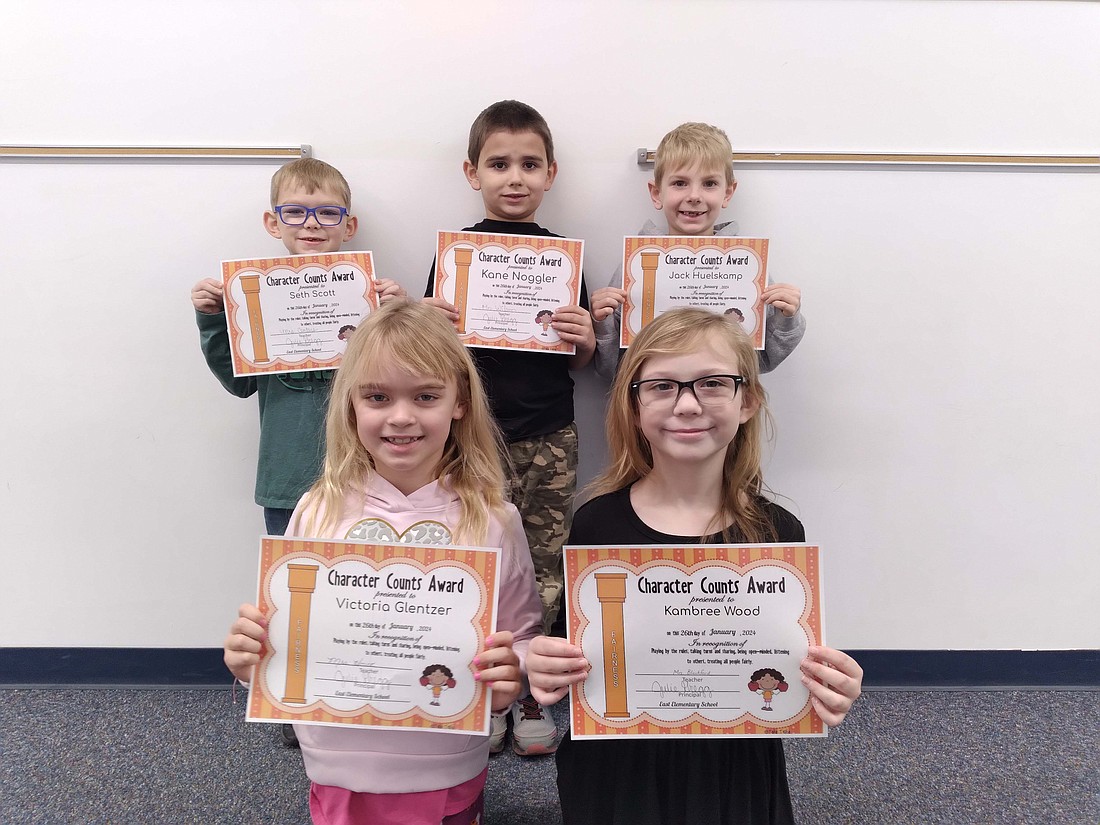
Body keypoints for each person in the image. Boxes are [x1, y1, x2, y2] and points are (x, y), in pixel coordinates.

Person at [526, 308, 863, 824]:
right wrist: (546, 667)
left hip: (734, 767)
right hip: (616, 768)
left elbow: (788, 664)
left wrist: (828, 686)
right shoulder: (594, 525)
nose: (686, 405)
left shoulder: (778, 534)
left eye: (711, 383)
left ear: (747, 400)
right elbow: (570, 656)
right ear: (634, 405)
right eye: (661, 386)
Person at [223, 300, 543, 825]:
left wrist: (513, 675)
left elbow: (522, 633)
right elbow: (286, 636)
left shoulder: (494, 518)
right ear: (351, 404)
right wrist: (249, 660)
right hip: (336, 757)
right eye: (377, 396)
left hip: (447, 757)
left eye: (425, 396)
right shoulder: (317, 510)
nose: (400, 416)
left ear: (459, 401)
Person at [423, 100, 594, 756]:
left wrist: (584, 337)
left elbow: (582, 362)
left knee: (545, 568)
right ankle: (480, 693)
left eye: (528, 164)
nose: (514, 176)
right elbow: (433, 360)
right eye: (499, 163)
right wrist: (431, 323)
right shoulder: (454, 257)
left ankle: (531, 697)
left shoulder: (564, 258)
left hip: (550, 434)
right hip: (472, 440)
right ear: (473, 172)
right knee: (475, 563)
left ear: (551, 173)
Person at [591, 122, 806, 381]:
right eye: (680, 183)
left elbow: (763, 360)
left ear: (728, 193)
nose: (694, 196)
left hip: (721, 403)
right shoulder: (635, 264)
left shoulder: (746, 265)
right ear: (657, 193)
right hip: (651, 404)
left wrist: (786, 318)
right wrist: (603, 324)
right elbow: (610, 367)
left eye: (709, 183)